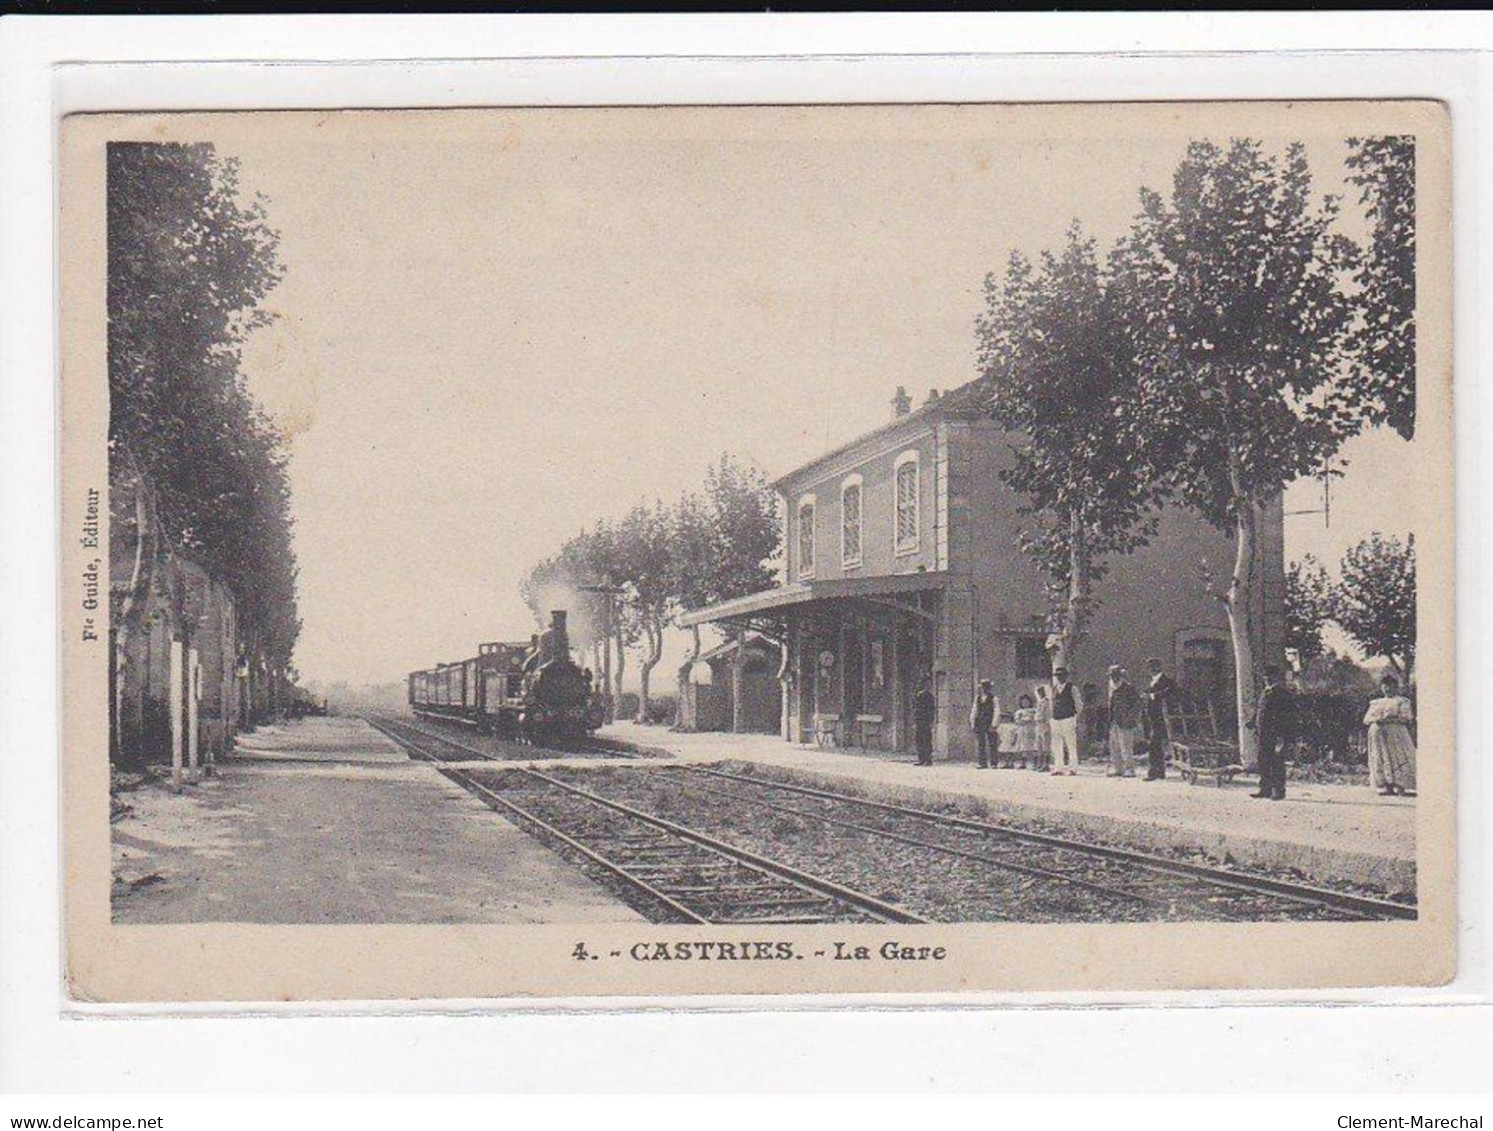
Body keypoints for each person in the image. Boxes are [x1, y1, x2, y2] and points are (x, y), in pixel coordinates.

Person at [1245, 664, 1293, 800]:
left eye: (1269, 677)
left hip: (1276, 733)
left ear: (1276, 677)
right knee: (1263, 760)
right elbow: (1261, 710)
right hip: (1262, 732)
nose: (1267, 679)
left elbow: (1285, 716)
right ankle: (1265, 789)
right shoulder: (1266, 692)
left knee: (1276, 762)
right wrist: (1253, 722)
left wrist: (1282, 736)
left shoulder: (1282, 693)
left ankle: (1278, 790)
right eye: (1265, 677)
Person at [1364, 675, 1416, 796]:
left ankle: (1401, 786)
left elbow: (1407, 718)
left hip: (1396, 733)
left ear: (1396, 687)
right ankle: (1387, 786)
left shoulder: (1402, 701)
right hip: (1378, 734)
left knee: (1398, 757)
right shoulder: (1376, 702)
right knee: (1382, 757)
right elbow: (1367, 719)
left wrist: (1388, 720)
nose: (1387, 689)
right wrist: (1378, 719)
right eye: (1385, 686)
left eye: (1390, 686)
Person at [1142, 657, 1177, 781]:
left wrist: (1151, 696)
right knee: (1155, 745)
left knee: (1154, 745)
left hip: (1162, 718)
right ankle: (1159, 772)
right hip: (1152, 718)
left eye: (1153, 667)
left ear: (1158, 668)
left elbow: (1169, 695)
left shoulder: (1167, 682)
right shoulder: (1152, 681)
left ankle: (1154, 772)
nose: (1151, 670)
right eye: (1150, 668)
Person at [1106, 665, 1142, 778]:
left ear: (1120, 676)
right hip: (1114, 721)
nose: (1114, 678)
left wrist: (1131, 718)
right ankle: (1118, 768)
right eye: (1112, 676)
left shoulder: (1129, 688)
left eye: (1116, 676)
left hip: (1126, 721)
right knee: (1114, 746)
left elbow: (1137, 704)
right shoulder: (1111, 686)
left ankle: (1129, 769)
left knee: (1126, 746)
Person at [1049, 666, 1081, 776]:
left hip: (1068, 718)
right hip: (1056, 718)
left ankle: (1073, 768)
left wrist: (1075, 716)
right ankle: (1058, 767)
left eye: (1062, 675)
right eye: (1058, 676)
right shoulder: (1053, 688)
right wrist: (1051, 717)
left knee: (1070, 744)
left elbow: (1078, 703)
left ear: (1066, 676)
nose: (1060, 678)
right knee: (1056, 744)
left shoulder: (1072, 688)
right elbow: (1051, 704)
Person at [970, 679, 999, 769]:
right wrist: (972, 722)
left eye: (986, 687)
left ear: (989, 688)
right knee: (981, 743)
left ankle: (993, 763)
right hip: (980, 722)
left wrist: (994, 723)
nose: (984, 689)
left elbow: (996, 711)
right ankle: (982, 763)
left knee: (992, 743)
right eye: (983, 687)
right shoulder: (978, 698)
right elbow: (974, 710)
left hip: (989, 722)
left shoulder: (993, 698)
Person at [913, 679, 937, 766]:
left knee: (925, 740)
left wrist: (931, 720)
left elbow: (931, 709)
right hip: (921, 720)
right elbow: (916, 709)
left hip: (924, 721)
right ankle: (922, 759)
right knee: (920, 740)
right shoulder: (921, 695)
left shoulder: (929, 696)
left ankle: (927, 759)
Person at [1014, 694, 1037, 770]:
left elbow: (1034, 719)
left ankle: (1034, 762)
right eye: (1023, 702)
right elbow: (1017, 720)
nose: (1025, 704)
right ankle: (1023, 762)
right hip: (1022, 730)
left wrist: (1030, 720)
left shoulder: (1034, 710)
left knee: (1032, 745)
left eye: (1026, 702)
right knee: (1022, 746)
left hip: (1031, 729)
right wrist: (1025, 720)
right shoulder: (1019, 711)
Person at [1033, 685, 1052, 772]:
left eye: (1042, 691)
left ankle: (1046, 764)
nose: (1040, 693)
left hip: (1045, 724)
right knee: (1039, 744)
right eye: (1039, 692)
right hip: (1038, 724)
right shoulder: (1039, 702)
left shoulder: (1047, 702)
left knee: (1045, 745)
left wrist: (1048, 725)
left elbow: (1048, 714)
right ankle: (1039, 763)